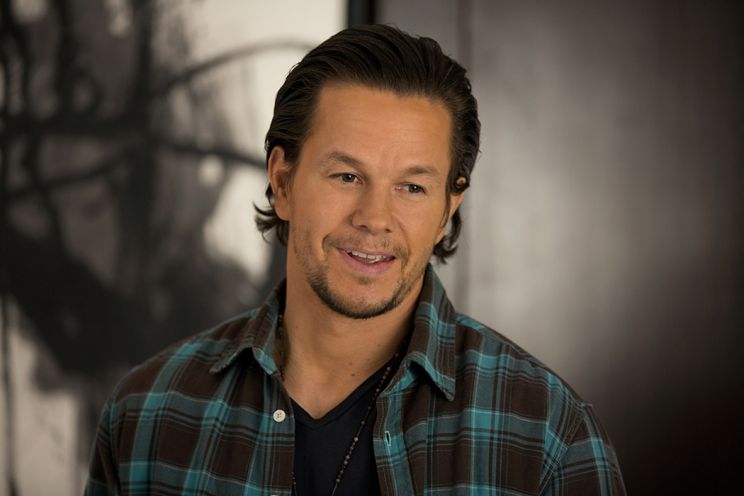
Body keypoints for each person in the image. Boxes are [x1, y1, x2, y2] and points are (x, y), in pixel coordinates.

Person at [86, 24, 625, 495]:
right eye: (347, 176)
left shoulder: (549, 435)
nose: (374, 218)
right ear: (283, 181)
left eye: (412, 187)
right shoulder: (147, 413)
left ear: (447, 209)